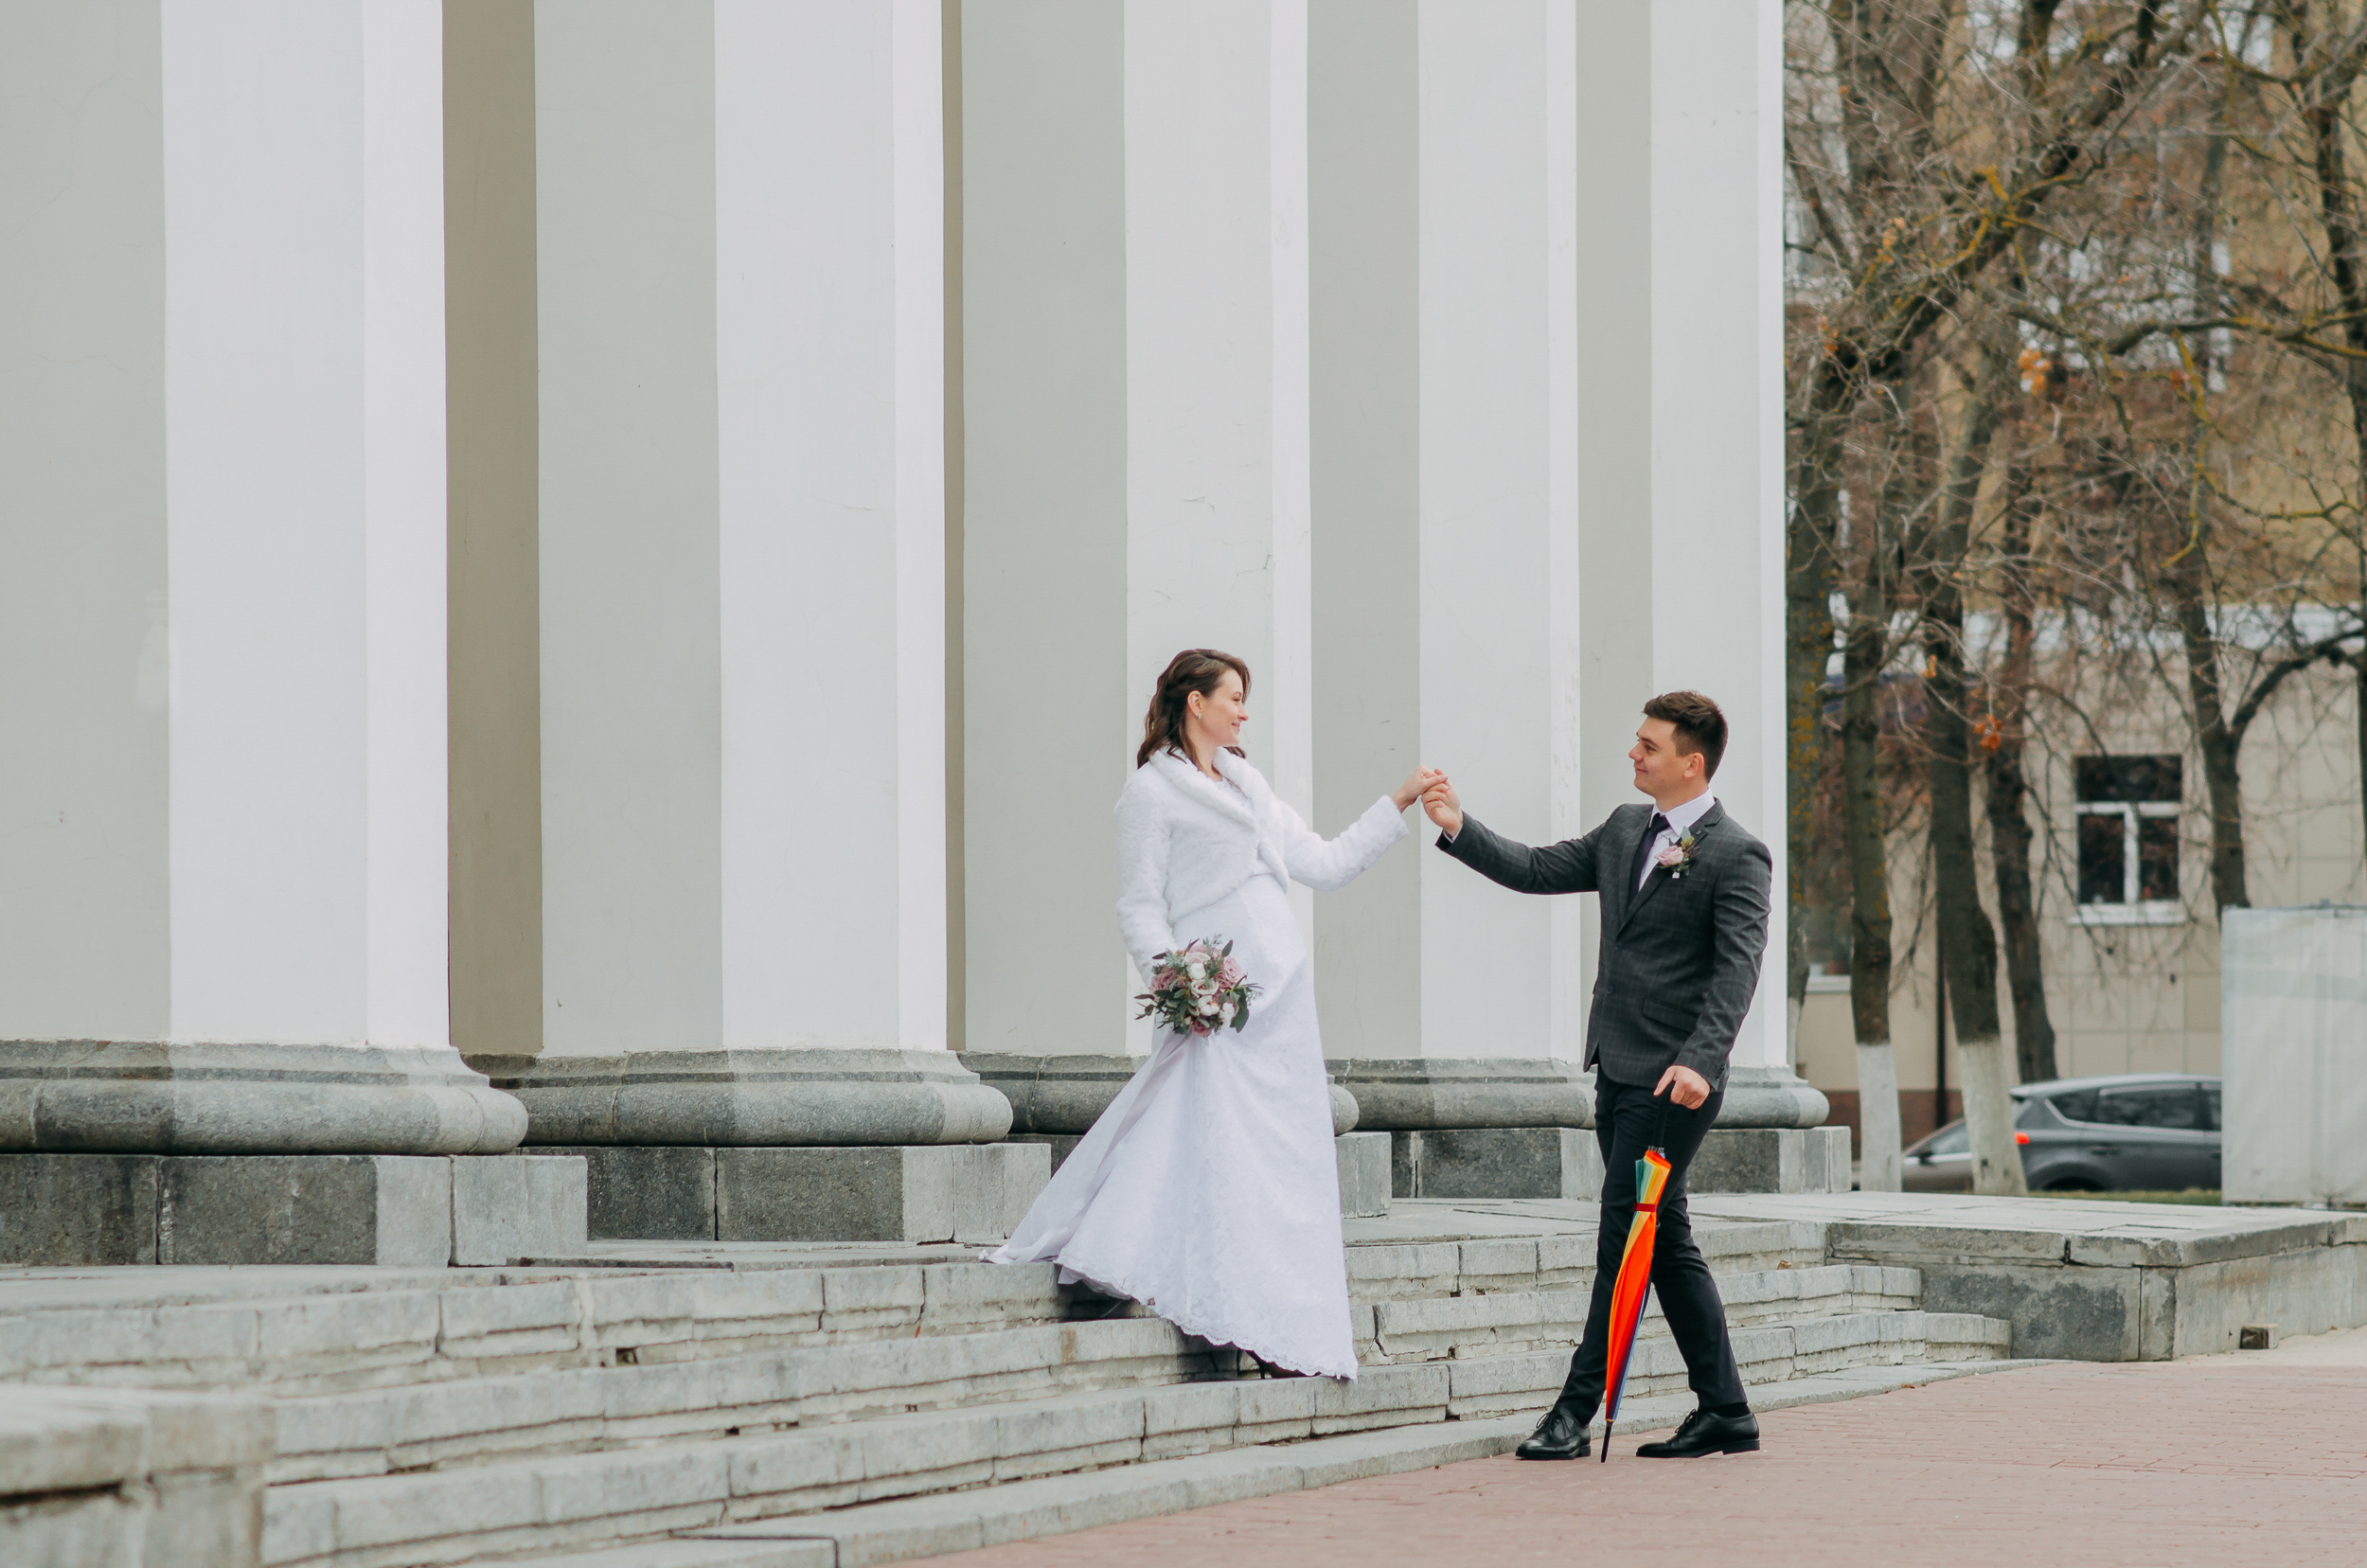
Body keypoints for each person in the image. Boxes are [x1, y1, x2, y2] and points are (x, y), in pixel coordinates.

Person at [984, 649, 1438, 1378]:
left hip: (1281, 1004)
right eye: (1233, 697)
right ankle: (1227, 1304)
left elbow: (1322, 863)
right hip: (1217, 1003)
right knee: (1223, 1149)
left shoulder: (1247, 782)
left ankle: (1281, 1317)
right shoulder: (1150, 794)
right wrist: (1180, 986)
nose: (1243, 711)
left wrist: (1401, 800)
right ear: (1195, 702)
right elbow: (1139, 905)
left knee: (1283, 1159)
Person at [1419, 690, 1771, 1458]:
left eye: (1649, 745)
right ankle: (1727, 1411)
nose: (1635, 754)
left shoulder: (1737, 853)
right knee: (1664, 1239)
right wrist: (1458, 828)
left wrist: (1701, 1063)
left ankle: (1572, 1415)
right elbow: (1538, 869)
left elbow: (1737, 973)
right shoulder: (1622, 830)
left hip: (1674, 1088)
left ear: (1692, 762)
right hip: (1616, 1071)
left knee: (1624, 1238)